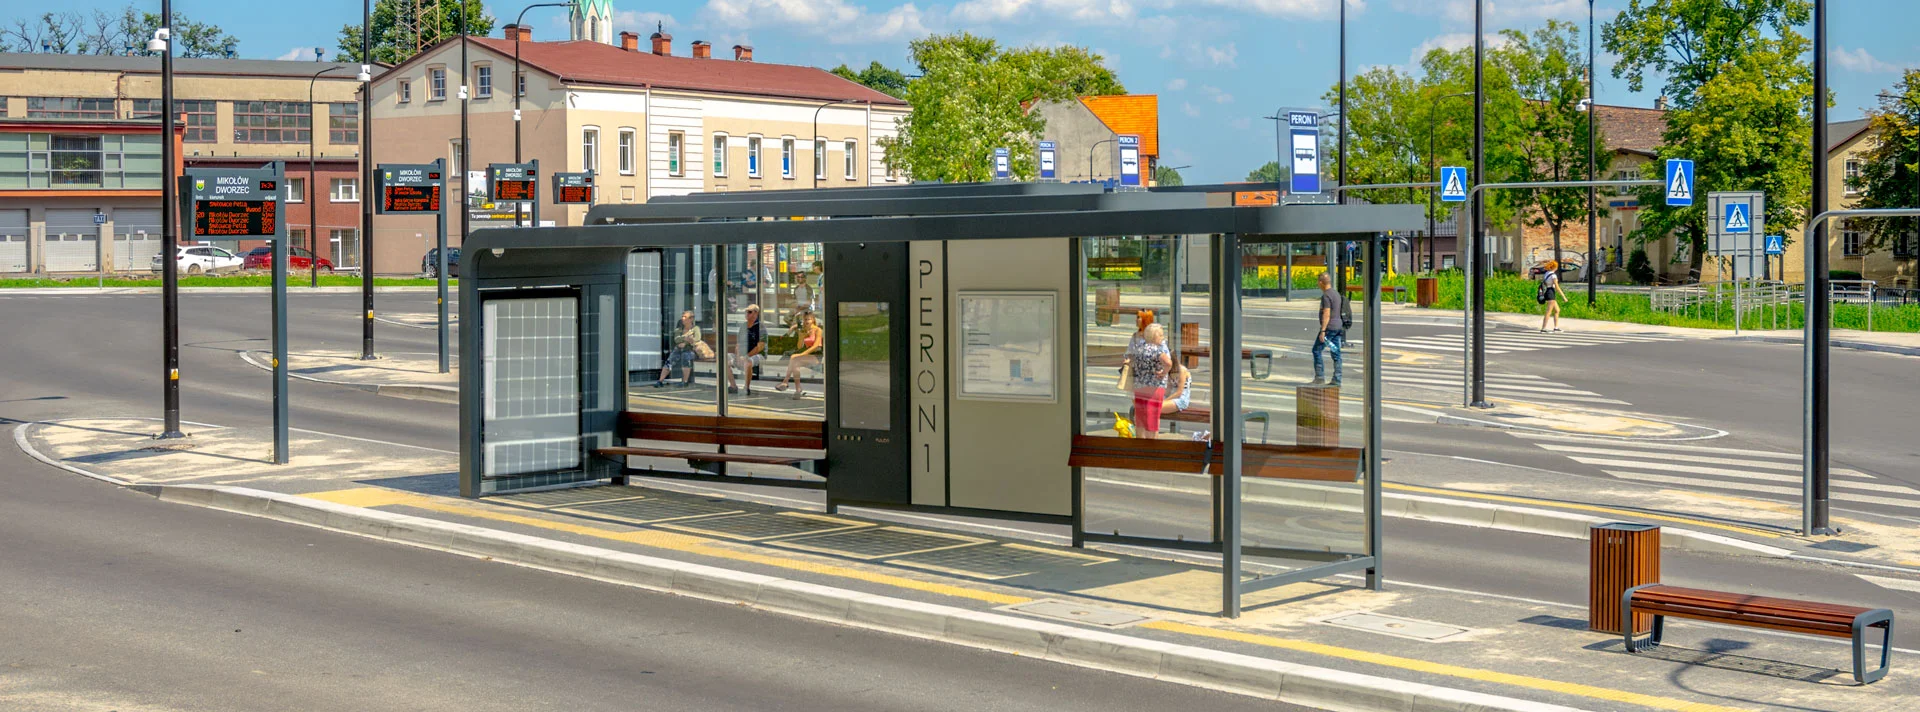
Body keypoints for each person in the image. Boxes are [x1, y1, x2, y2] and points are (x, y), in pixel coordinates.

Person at [1130, 323, 1173, 439]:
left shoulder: (1139, 348)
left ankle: (1140, 442)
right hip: (1154, 386)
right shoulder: (1157, 350)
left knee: (1140, 415)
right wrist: (1164, 372)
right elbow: (1168, 363)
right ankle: (1152, 445)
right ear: (1155, 337)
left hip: (1139, 386)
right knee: (1152, 416)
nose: (1162, 338)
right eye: (1161, 335)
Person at [777, 310, 824, 399]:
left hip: (816, 355)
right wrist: (801, 337)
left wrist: (801, 354)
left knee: (794, 358)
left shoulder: (818, 330)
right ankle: (797, 389)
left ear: (813, 320)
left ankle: (786, 381)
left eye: (808, 319)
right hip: (806, 356)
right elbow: (799, 347)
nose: (806, 322)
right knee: (795, 364)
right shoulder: (803, 330)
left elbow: (815, 346)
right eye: (805, 320)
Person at [1312, 272, 1345, 387]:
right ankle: (1337, 379)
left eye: (1318, 282)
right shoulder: (1336, 294)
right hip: (1338, 328)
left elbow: (1326, 313)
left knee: (1316, 350)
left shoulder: (1326, 296)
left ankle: (1319, 377)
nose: (1318, 284)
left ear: (1321, 283)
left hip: (1329, 329)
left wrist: (1323, 331)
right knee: (1336, 353)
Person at [727, 304, 765, 395]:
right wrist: (738, 356)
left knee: (748, 362)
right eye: (746, 312)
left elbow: (760, 346)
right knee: (724, 359)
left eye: (749, 312)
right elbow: (738, 344)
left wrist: (746, 356)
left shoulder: (760, 327)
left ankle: (746, 387)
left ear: (756, 313)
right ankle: (733, 386)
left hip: (757, 354)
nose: (747, 314)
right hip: (742, 354)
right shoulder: (743, 326)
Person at [657, 310, 700, 388]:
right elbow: (676, 339)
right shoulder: (679, 328)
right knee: (669, 362)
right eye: (682, 317)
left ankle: (685, 381)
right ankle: (660, 381)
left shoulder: (695, 328)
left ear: (691, 319)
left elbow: (697, 338)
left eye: (685, 317)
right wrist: (686, 338)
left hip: (689, 349)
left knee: (686, 359)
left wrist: (685, 343)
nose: (683, 319)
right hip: (678, 348)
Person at [1538, 260, 1567, 333]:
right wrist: (1563, 296)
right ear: (1555, 267)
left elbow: (1544, 283)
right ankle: (1543, 328)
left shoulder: (1547, 273)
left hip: (1548, 291)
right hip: (1551, 292)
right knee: (1549, 311)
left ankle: (1556, 327)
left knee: (1557, 310)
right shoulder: (1553, 275)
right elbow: (1557, 287)